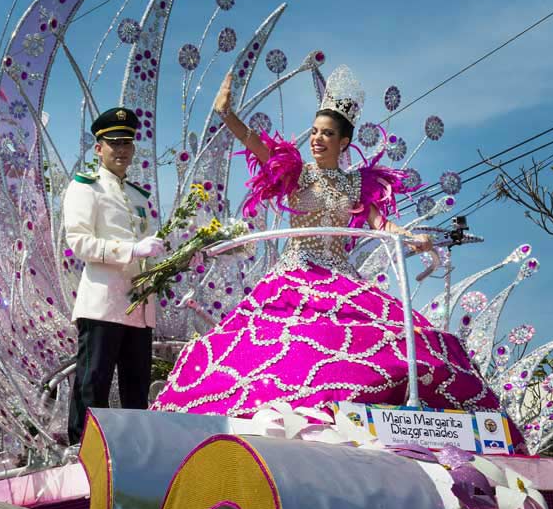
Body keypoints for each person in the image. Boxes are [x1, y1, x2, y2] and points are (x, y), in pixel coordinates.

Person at [151, 66, 501, 416]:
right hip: (295, 274)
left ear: (343, 142)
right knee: (286, 348)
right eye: (315, 132)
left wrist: (411, 237)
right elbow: (252, 142)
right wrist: (226, 113)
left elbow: (382, 224)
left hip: (340, 276)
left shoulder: (355, 185)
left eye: (327, 134)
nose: (317, 139)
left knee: (373, 346)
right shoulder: (297, 173)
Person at [64, 107, 166, 444]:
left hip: (139, 309)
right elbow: (78, 241)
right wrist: (131, 251)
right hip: (104, 304)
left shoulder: (138, 197)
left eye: (128, 143)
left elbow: (148, 246)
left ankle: (135, 455)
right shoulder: (86, 188)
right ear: (99, 148)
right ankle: (82, 451)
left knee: (136, 390)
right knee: (93, 383)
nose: (122, 150)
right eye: (114, 143)